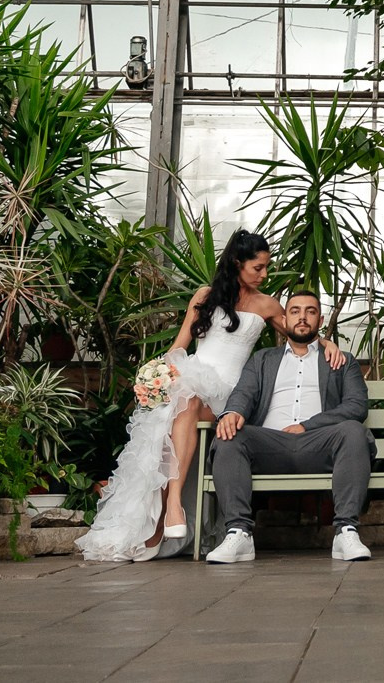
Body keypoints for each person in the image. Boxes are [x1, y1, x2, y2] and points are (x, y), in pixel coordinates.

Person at [78, 231, 343, 562]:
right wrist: (157, 377)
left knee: (181, 410)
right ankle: (171, 508)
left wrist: (328, 343)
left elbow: (300, 334)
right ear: (237, 263)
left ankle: (166, 519)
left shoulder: (267, 305)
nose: (264, 275)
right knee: (183, 404)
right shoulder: (205, 295)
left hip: (231, 397)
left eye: (266, 267)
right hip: (195, 383)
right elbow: (179, 346)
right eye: (258, 268)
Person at [204, 290, 377, 564]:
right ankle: (238, 533)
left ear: (319, 320)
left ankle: (346, 531)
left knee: (354, 432)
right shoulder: (263, 359)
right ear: (284, 319)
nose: (302, 317)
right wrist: (232, 412)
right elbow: (244, 393)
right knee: (229, 435)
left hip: (318, 444)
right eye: (295, 311)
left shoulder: (341, 360)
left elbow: (357, 406)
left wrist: (307, 426)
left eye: (310, 311)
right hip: (269, 445)